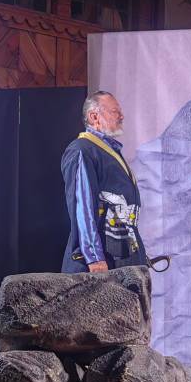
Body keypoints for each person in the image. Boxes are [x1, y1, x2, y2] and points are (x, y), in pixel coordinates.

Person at [61, 91, 148, 273]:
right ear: (94, 117)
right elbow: (83, 208)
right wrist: (94, 257)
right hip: (100, 264)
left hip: (122, 257)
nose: (121, 116)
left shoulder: (108, 151)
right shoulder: (82, 150)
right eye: (115, 111)